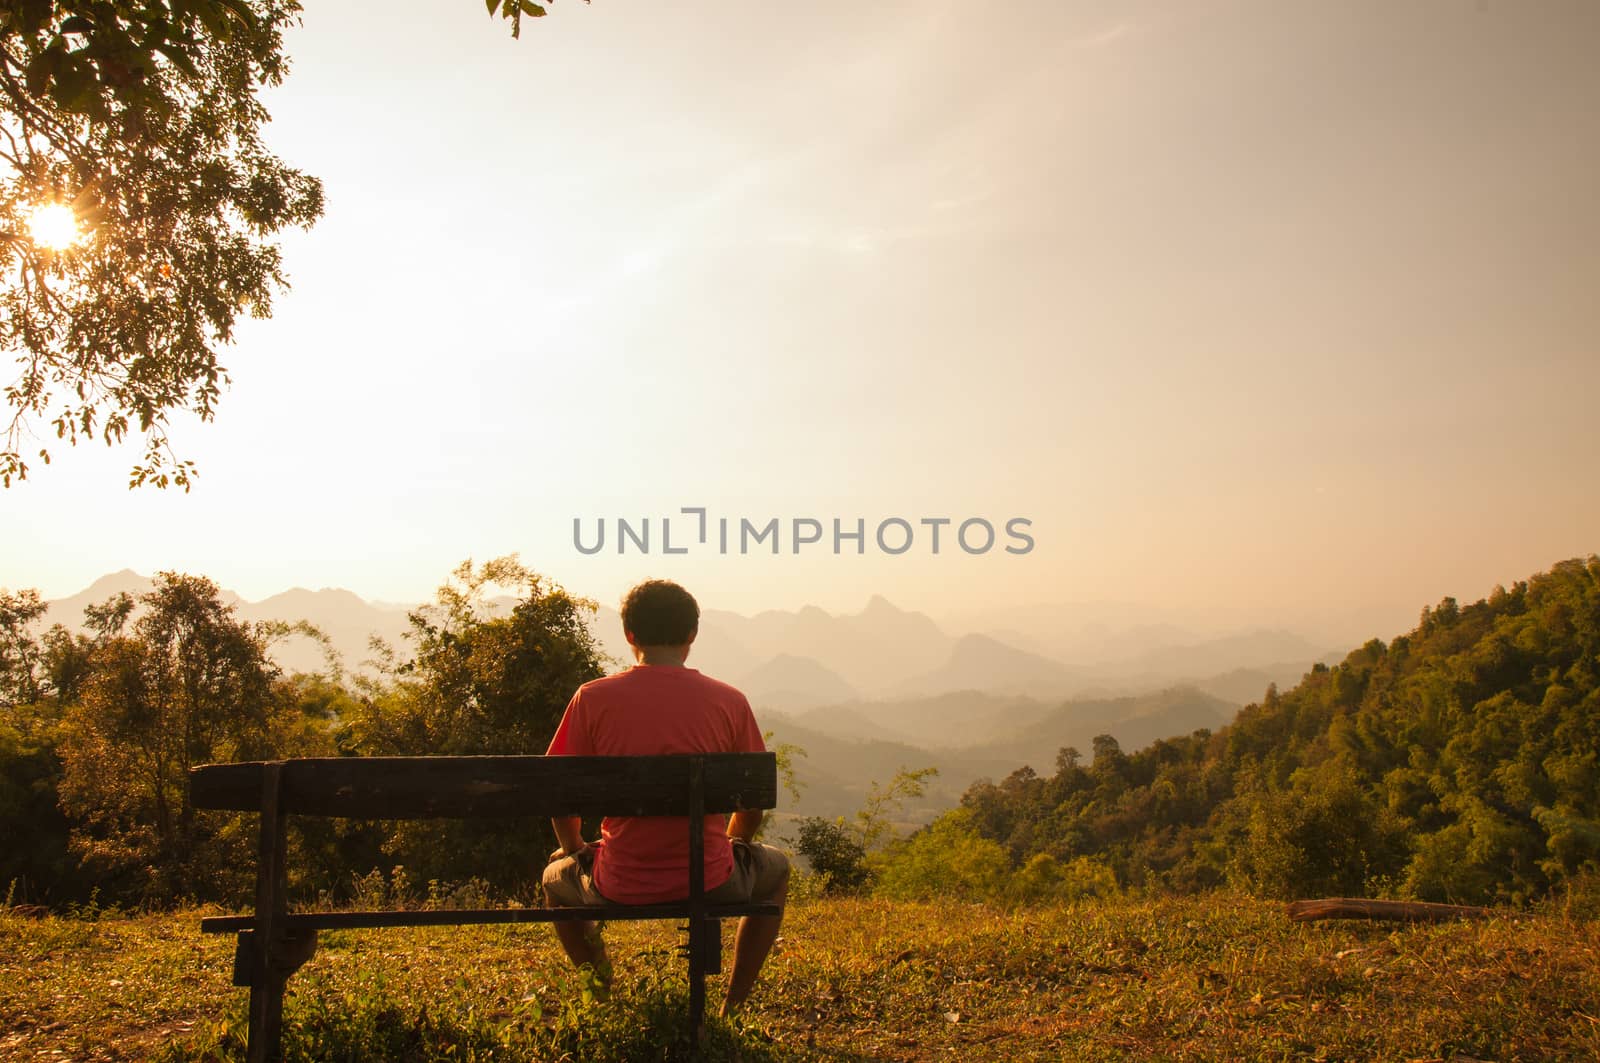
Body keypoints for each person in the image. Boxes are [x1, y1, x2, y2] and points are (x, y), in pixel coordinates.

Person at [540, 579, 790, 1016]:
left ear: (629, 635)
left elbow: (557, 789)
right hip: (713, 878)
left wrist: (575, 849)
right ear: (692, 634)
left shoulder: (592, 699)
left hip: (617, 881)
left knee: (553, 880)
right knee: (779, 870)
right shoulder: (730, 702)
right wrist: (731, 843)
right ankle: (733, 1004)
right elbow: (751, 802)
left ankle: (602, 996)